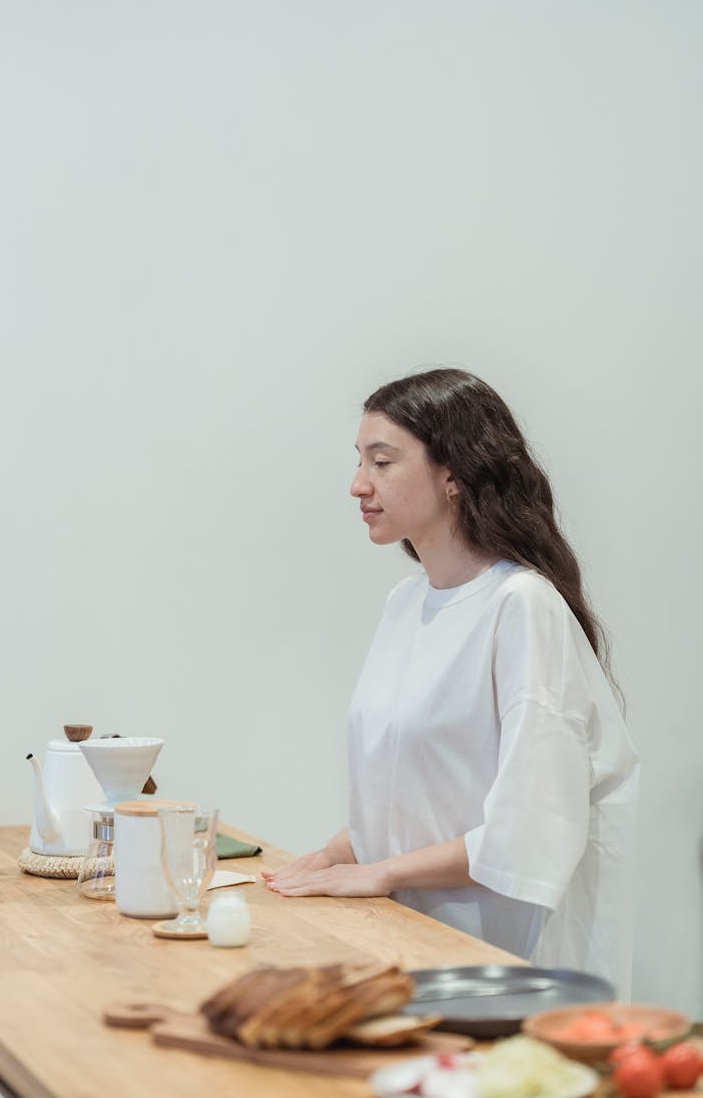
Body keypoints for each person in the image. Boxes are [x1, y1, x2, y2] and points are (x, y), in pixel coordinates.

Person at [265, 368, 639, 995]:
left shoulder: (522, 604)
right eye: (360, 461)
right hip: (407, 940)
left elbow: (531, 827)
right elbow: (411, 792)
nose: (359, 485)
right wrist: (335, 856)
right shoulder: (404, 603)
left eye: (382, 462)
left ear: (454, 474)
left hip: (502, 962)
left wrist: (379, 872)